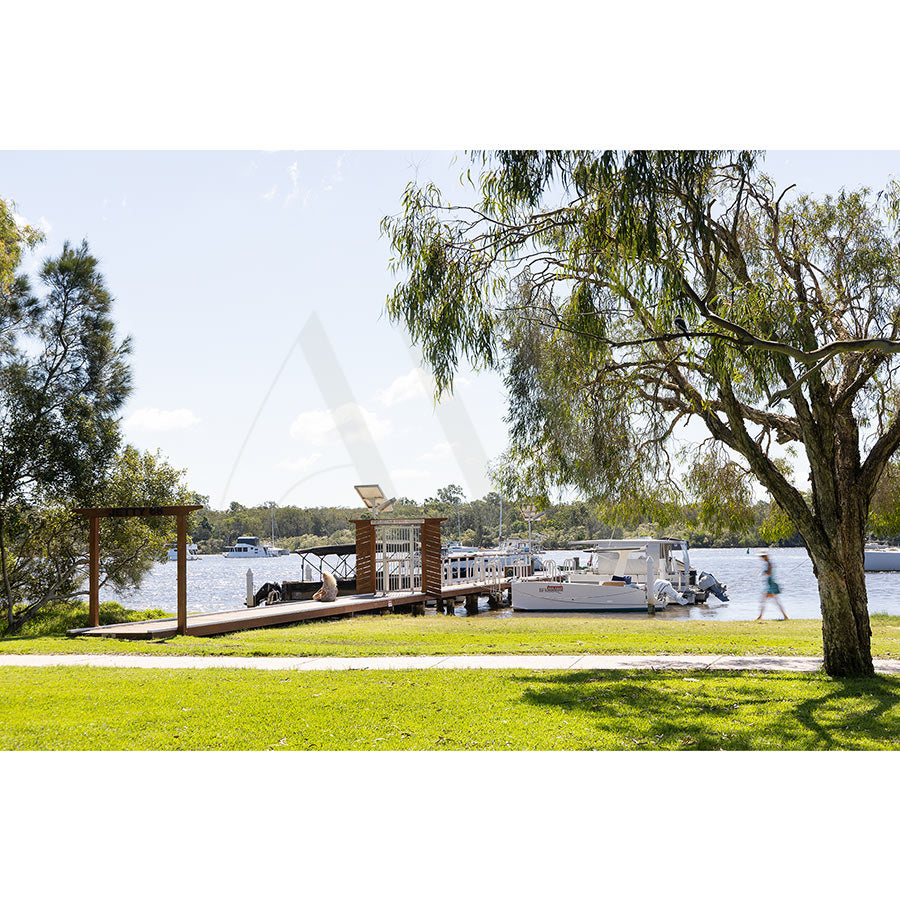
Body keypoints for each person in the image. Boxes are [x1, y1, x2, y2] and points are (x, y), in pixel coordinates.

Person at [757, 552, 788, 620]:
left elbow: (769, 574)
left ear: (765, 557)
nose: (762, 558)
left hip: (771, 585)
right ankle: (785, 616)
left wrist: (764, 572)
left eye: (762, 557)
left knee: (764, 601)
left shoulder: (769, 564)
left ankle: (760, 616)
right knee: (775, 601)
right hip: (770, 584)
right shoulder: (769, 563)